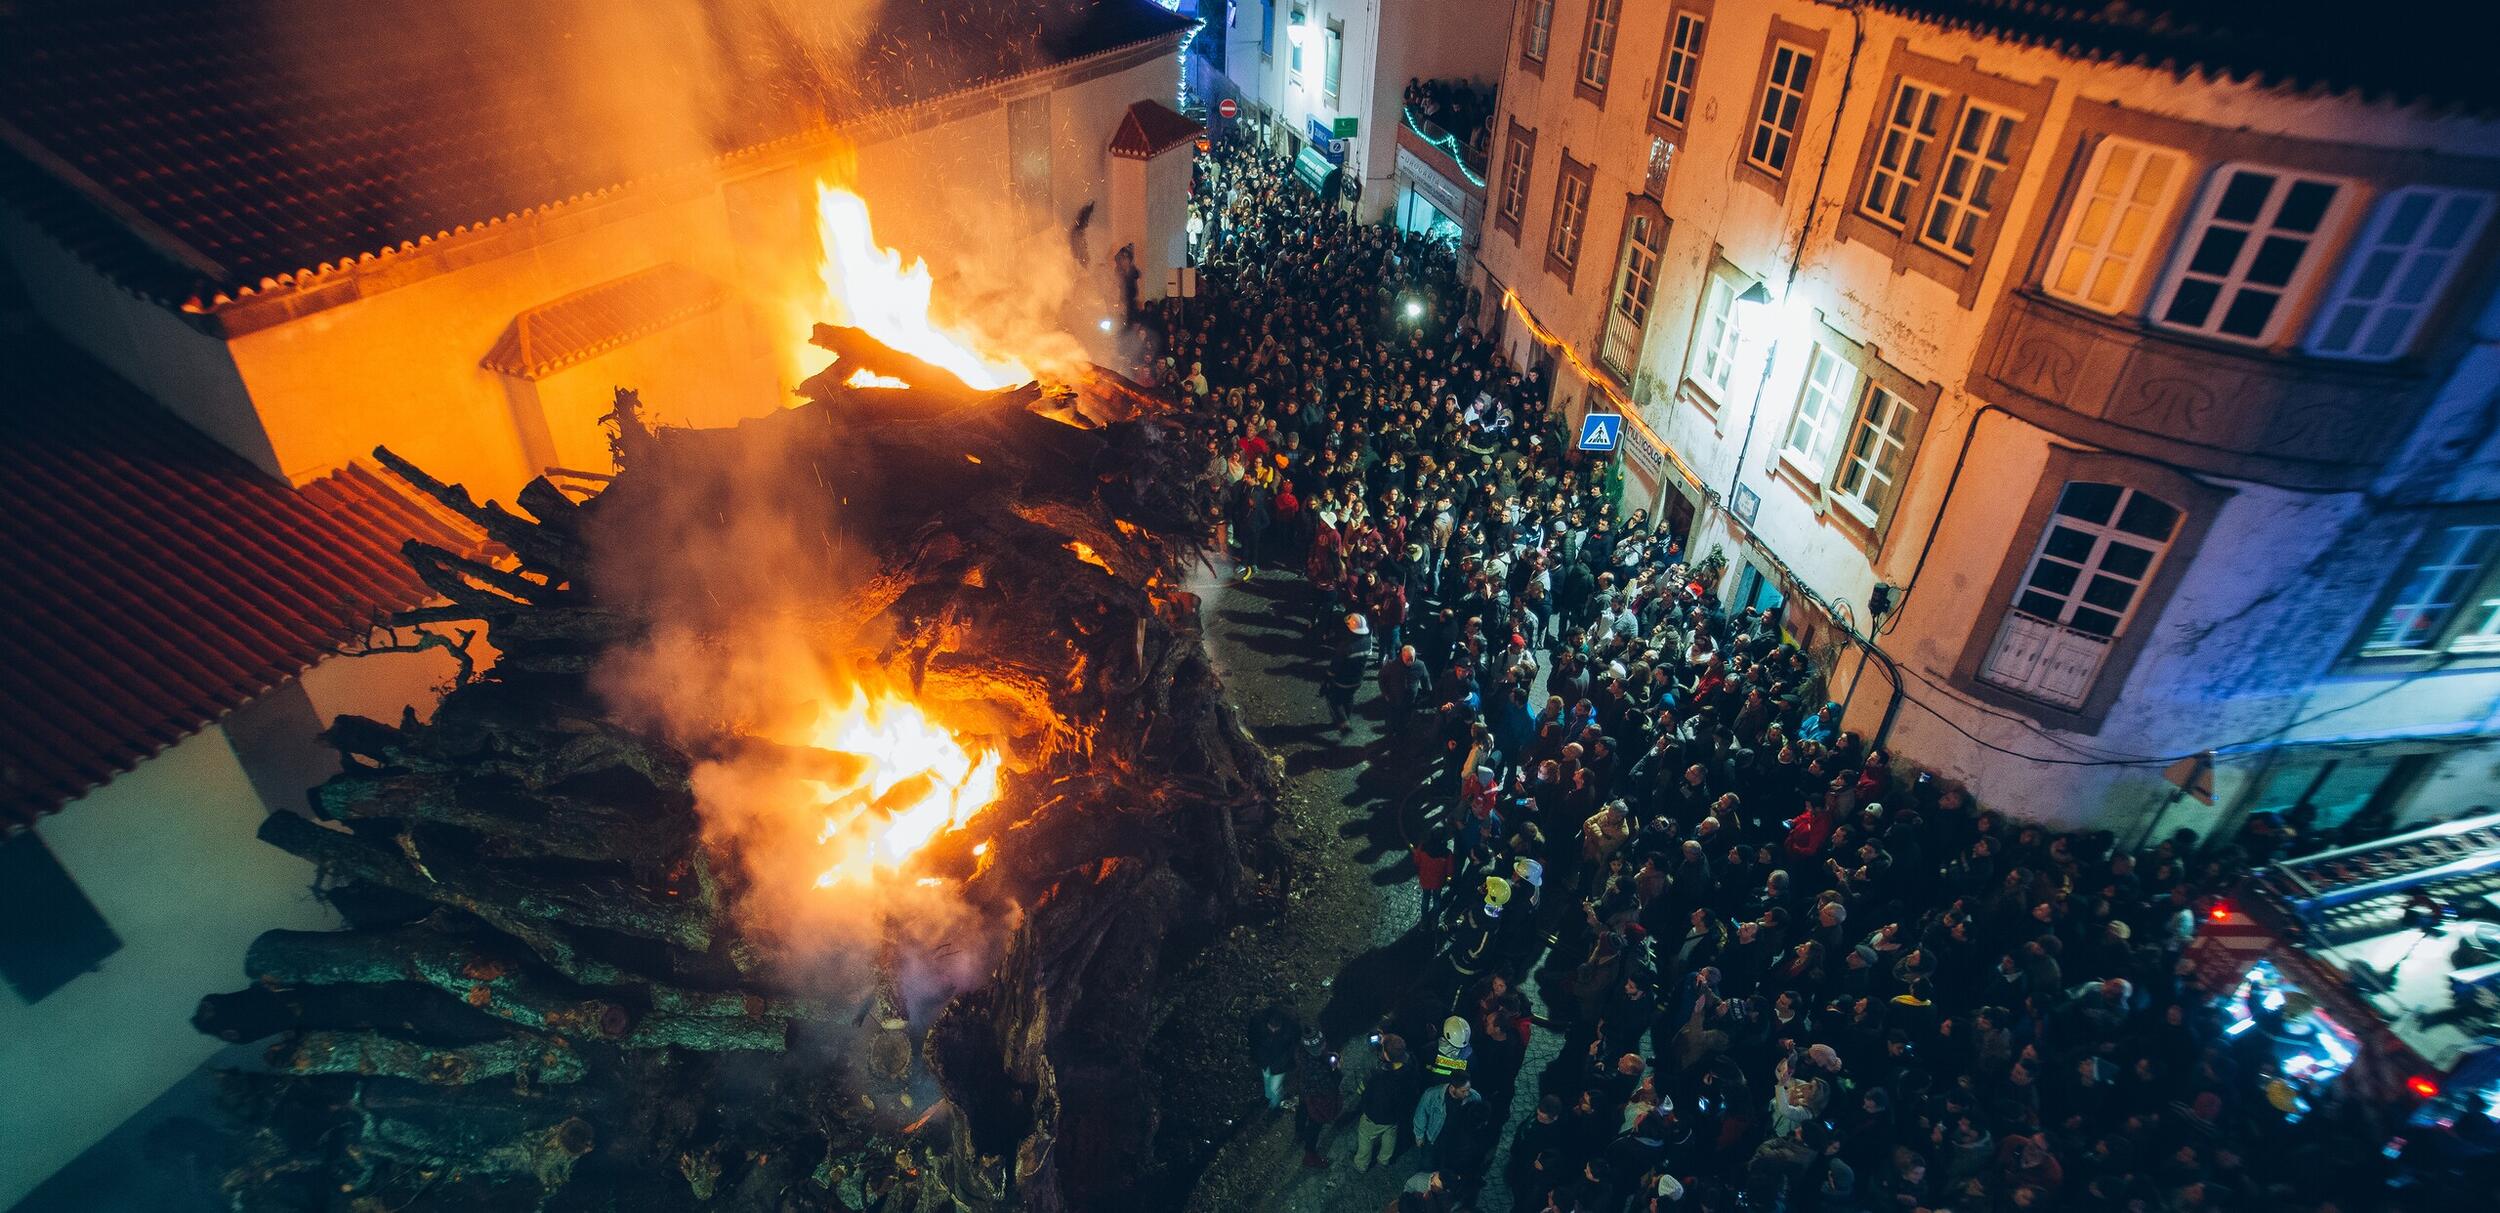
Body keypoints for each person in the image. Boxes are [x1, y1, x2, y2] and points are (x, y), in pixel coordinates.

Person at [1350, 1033, 1417, 1172]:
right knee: (1390, 1135)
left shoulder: (1379, 1076)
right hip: (1395, 1116)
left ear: (1386, 1055)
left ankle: (1361, 1164)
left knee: (1365, 1137)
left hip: (1375, 1116)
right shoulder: (1411, 1064)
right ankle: (1384, 1159)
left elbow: (1365, 1093)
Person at [1327, 612, 1374, 728]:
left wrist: (1328, 676)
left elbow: (1335, 665)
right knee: (1349, 698)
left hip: (1342, 680)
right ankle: (1347, 716)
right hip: (1357, 679)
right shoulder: (1368, 641)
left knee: (1334, 700)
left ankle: (1343, 722)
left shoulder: (1346, 646)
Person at [1249, 1004, 1299, 1111]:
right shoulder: (1261, 1029)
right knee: (1267, 1080)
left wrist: (1285, 1062)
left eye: (1276, 1028)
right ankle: (1269, 1098)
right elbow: (1255, 1044)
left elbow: (1291, 1050)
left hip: (1279, 1065)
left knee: (1274, 1087)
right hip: (1266, 1062)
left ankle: (1274, 1105)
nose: (1273, 1030)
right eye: (1271, 1027)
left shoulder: (1287, 1033)